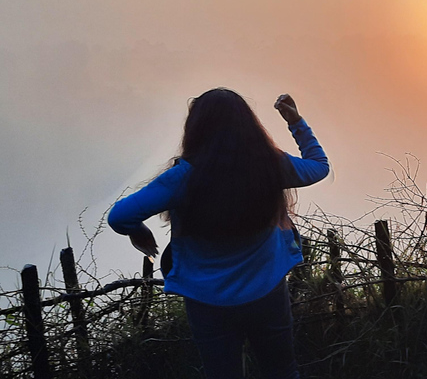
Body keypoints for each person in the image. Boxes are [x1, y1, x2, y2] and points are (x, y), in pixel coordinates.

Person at [108, 88, 329, 379]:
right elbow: (319, 167)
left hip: (206, 300)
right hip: (267, 289)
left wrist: (138, 231)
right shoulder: (270, 165)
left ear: (196, 129)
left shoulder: (183, 177)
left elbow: (119, 217)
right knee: (282, 373)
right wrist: (296, 122)